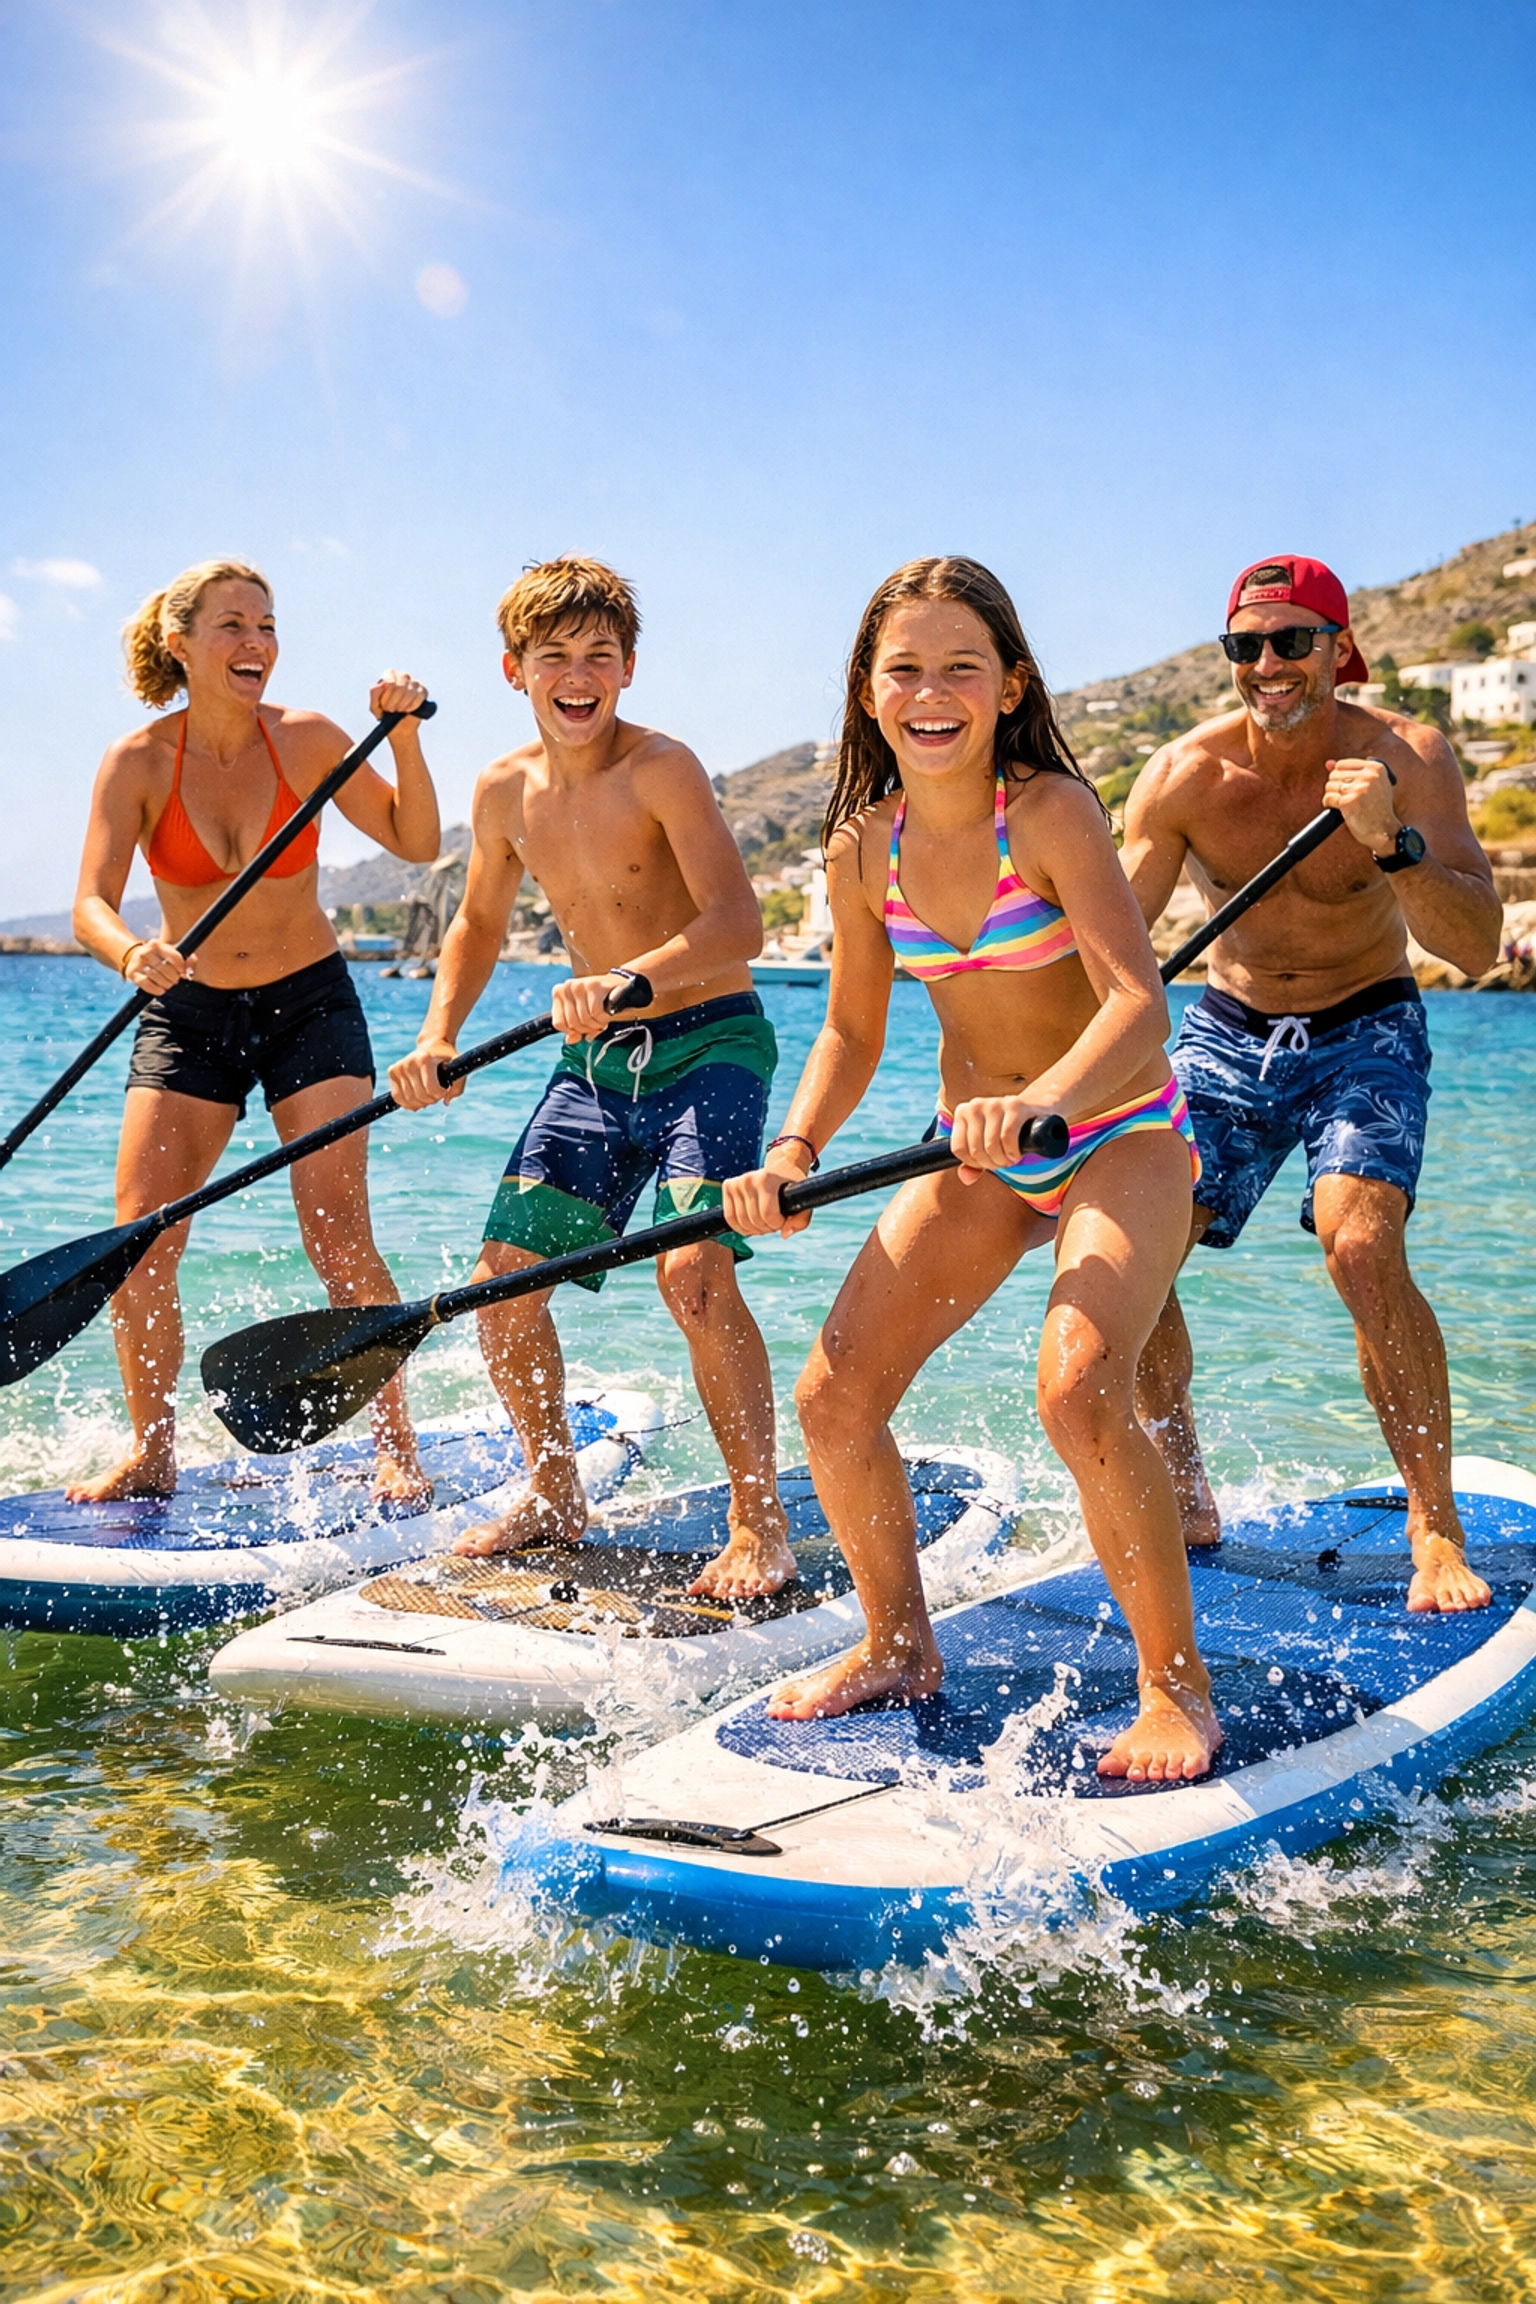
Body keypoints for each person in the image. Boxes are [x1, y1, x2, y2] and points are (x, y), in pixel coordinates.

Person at [723, 556, 1220, 1783]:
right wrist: (792, 1150)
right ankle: (897, 1644)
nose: (931, 692)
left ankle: (1177, 1693)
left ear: (1010, 686)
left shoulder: (1046, 811)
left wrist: (1046, 1101)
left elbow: (1138, 1004)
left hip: (1120, 1132)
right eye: (905, 669)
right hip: (983, 1154)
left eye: (961, 667)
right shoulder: (859, 848)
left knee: (1076, 1388)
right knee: (834, 1396)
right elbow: (849, 1028)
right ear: (866, 689)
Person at [387, 555, 790, 1599]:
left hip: (712, 1040)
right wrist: (439, 1035)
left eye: (598, 656)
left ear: (629, 667)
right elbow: (477, 920)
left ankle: (760, 1522)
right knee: (502, 1285)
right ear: (514, 667)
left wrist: (628, 979)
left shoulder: (663, 767)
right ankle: (555, 1492)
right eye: (554, 656)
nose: (578, 674)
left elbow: (735, 922)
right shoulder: (502, 790)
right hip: (596, 1064)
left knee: (691, 1273)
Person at [1122, 554, 1502, 1612]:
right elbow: (1115, 952)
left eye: (1294, 641)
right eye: (1247, 645)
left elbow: (1475, 948)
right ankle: (1188, 1491)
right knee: (1134, 1232)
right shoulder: (1185, 775)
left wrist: (1396, 846)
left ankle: (1434, 1527)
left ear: (1341, 651)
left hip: (1364, 1024)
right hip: (1227, 1029)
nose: (1270, 664)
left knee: (1362, 1244)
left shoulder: (1409, 756)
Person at [69, 558, 440, 1505]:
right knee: (138, 1244)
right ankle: (153, 1450)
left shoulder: (311, 738)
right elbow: (90, 905)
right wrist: (127, 953)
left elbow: (416, 839)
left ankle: (398, 1445)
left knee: (338, 1236)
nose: (257, 644)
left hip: (309, 1005)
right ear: (179, 642)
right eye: (234, 625)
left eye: (268, 626)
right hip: (188, 1016)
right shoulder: (138, 761)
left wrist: (398, 737)